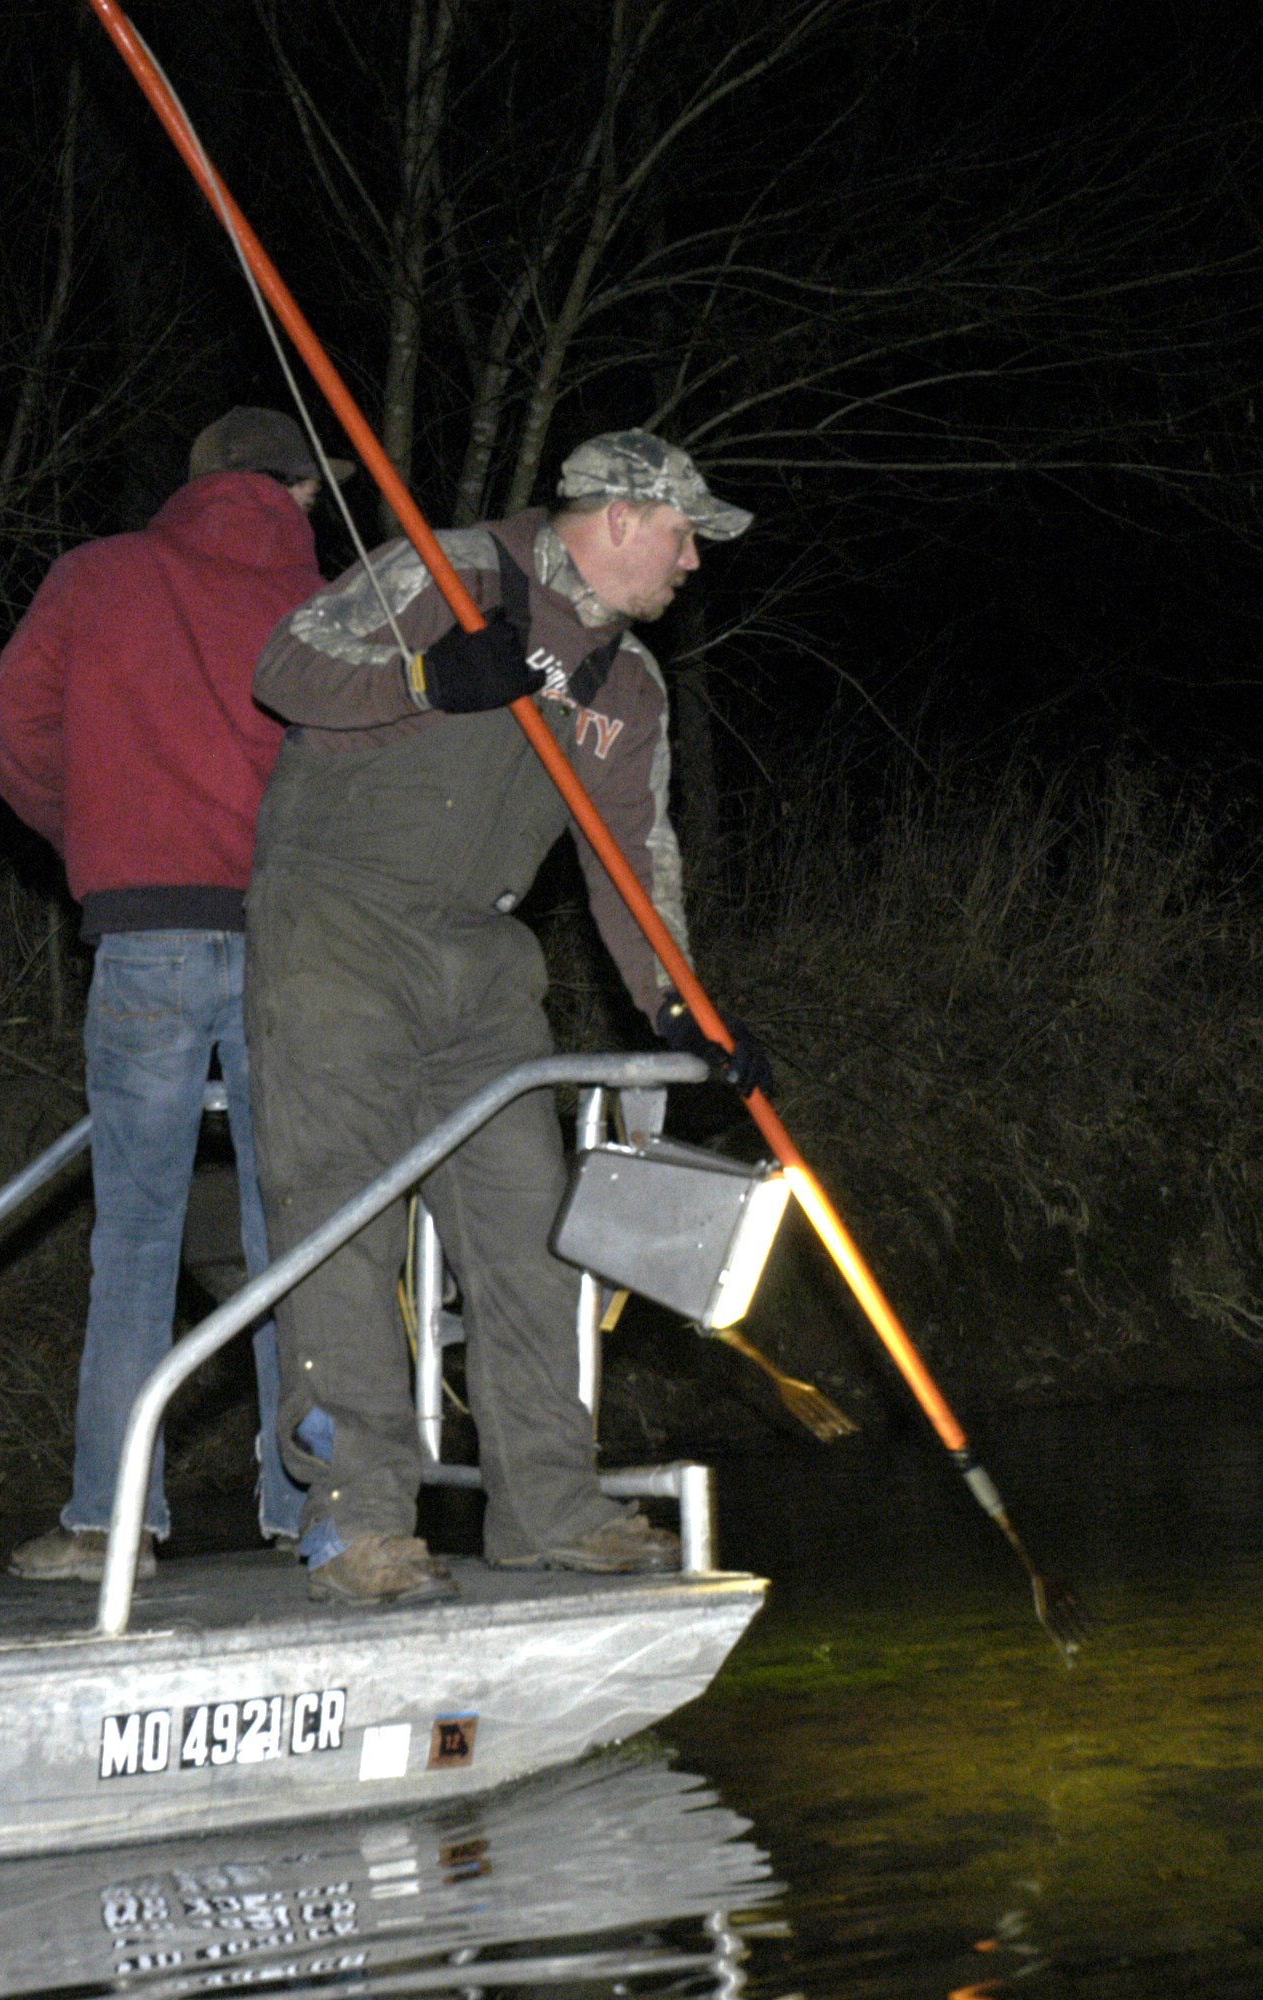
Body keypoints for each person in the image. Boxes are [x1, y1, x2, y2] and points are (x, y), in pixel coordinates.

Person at [245, 429, 767, 1606]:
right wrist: (426, 679)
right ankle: (360, 1519)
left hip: (483, 963)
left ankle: (547, 1505)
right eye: (684, 534)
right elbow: (285, 664)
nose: (692, 562)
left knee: (533, 1230)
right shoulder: (449, 569)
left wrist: (680, 1009)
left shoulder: (628, 685)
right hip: (337, 932)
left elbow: (635, 858)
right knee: (339, 1222)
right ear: (622, 516)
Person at [0, 406, 349, 1581]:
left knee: (134, 1231)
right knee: (287, 1230)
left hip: (141, 936)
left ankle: (111, 1518)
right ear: (289, 489)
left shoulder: (100, 574)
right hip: (287, 940)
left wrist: (88, 826)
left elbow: (5, 720)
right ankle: (307, 1507)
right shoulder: (335, 608)